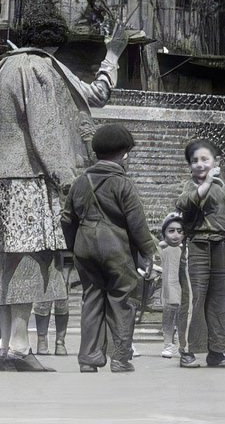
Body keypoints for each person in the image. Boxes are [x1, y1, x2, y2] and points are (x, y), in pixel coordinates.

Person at [0, 23, 130, 372]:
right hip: (30, 174)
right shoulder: (43, 67)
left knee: (11, 258)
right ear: (55, 45)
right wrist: (114, 53)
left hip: (2, 174)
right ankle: (19, 346)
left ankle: (7, 344)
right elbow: (86, 102)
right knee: (34, 256)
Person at [60, 122, 158, 374]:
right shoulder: (123, 184)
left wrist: (74, 247)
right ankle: (120, 358)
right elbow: (137, 223)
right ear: (124, 154)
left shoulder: (80, 182)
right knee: (121, 300)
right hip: (116, 249)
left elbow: (67, 219)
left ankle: (89, 358)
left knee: (91, 299)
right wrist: (148, 251)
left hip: (85, 247)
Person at [175, 138, 225, 369]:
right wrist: (205, 183)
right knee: (195, 297)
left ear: (216, 162)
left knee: (220, 299)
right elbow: (184, 203)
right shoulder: (189, 186)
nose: (199, 164)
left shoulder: (223, 187)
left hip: (222, 246)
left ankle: (217, 350)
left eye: (204, 159)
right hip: (196, 244)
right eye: (194, 160)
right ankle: (187, 350)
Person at [158, 212, 183, 358]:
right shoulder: (163, 249)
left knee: (181, 318)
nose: (175, 235)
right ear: (165, 233)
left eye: (180, 231)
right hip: (168, 288)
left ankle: (181, 344)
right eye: (171, 231)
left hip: (182, 288)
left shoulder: (186, 249)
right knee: (168, 317)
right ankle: (168, 344)